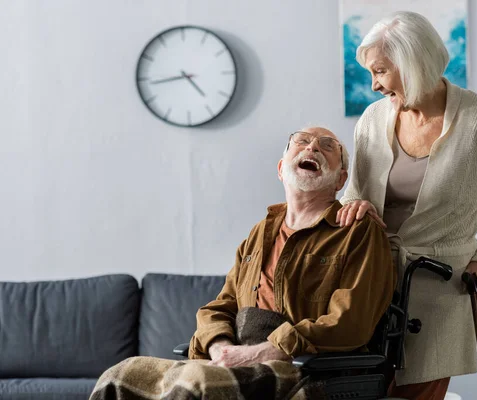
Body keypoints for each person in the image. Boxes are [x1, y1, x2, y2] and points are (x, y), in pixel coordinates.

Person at [90, 127, 396, 400]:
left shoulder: (358, 231)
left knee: (198, 382)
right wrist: (220, 349)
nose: (312, 147)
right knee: (122, 374)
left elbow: (350, 323)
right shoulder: (261, 232)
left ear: (341, 179)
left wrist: (268, 350)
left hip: (303, 368)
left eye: (327, 146)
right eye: (300, 142)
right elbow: (219, 308)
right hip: (234, 359)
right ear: (280, 168)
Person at [336, 11, 477, 400]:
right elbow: (354, 193)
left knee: (419, 392)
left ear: (411, 63)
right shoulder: (372, 120)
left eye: (379, 71)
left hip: (439, 285)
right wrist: (355, 208)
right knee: (361, 389)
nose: (373, 85)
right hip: (370, 280)